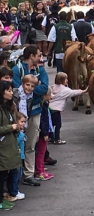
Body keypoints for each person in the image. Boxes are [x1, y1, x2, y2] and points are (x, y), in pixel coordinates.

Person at [12, 45, 49, 187]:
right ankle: (14, 174)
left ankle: (28, 174)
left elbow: (44, 88)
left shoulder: (40, 70)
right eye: (38, 55)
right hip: (19, 114)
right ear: (31, 56)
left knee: (31, 144)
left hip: (34, 112)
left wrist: (30, 88)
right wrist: (35, 87)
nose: (40, 58)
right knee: (16, 143)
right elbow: (17, 89)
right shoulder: (17, 70)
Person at [0, 81, 21, 210]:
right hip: (3, 145)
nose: (11, 93)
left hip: (8, 144)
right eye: (8, 90)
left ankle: (2, 198)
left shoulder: (7, 106)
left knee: (3, 173)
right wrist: (11, 127)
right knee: (1, 174)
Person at [49, 72, 88, 144]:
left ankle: (51, 137)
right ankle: (57, 139)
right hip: (57, 110)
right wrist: (84, 91)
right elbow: (74, 92)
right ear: (61, 80)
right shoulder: (65, 90)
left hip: (50, 109)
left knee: (51, 124)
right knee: (58, 125)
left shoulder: (52, 87)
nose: (67, 80)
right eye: (65, 79)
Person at [4, 112, 27, 202]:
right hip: (16, 156)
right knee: (15, 175)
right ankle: (14, 191)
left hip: (20, 156)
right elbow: (15, 142)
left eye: (24, 122)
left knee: (18, 174)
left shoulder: (20, 132)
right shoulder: (17, 134)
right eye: (21, 122)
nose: (23, 124)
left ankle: (14, 190)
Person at [35, 87, 54, 181]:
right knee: (40, 152)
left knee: (40, 152)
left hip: (43, 132)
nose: (51, 97)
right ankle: (39, 172)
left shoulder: (44, 105)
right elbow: (44, 122)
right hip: (43, 133)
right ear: (44, 96)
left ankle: (41, 168)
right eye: (50, 95)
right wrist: (45, 133)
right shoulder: (43, 107)